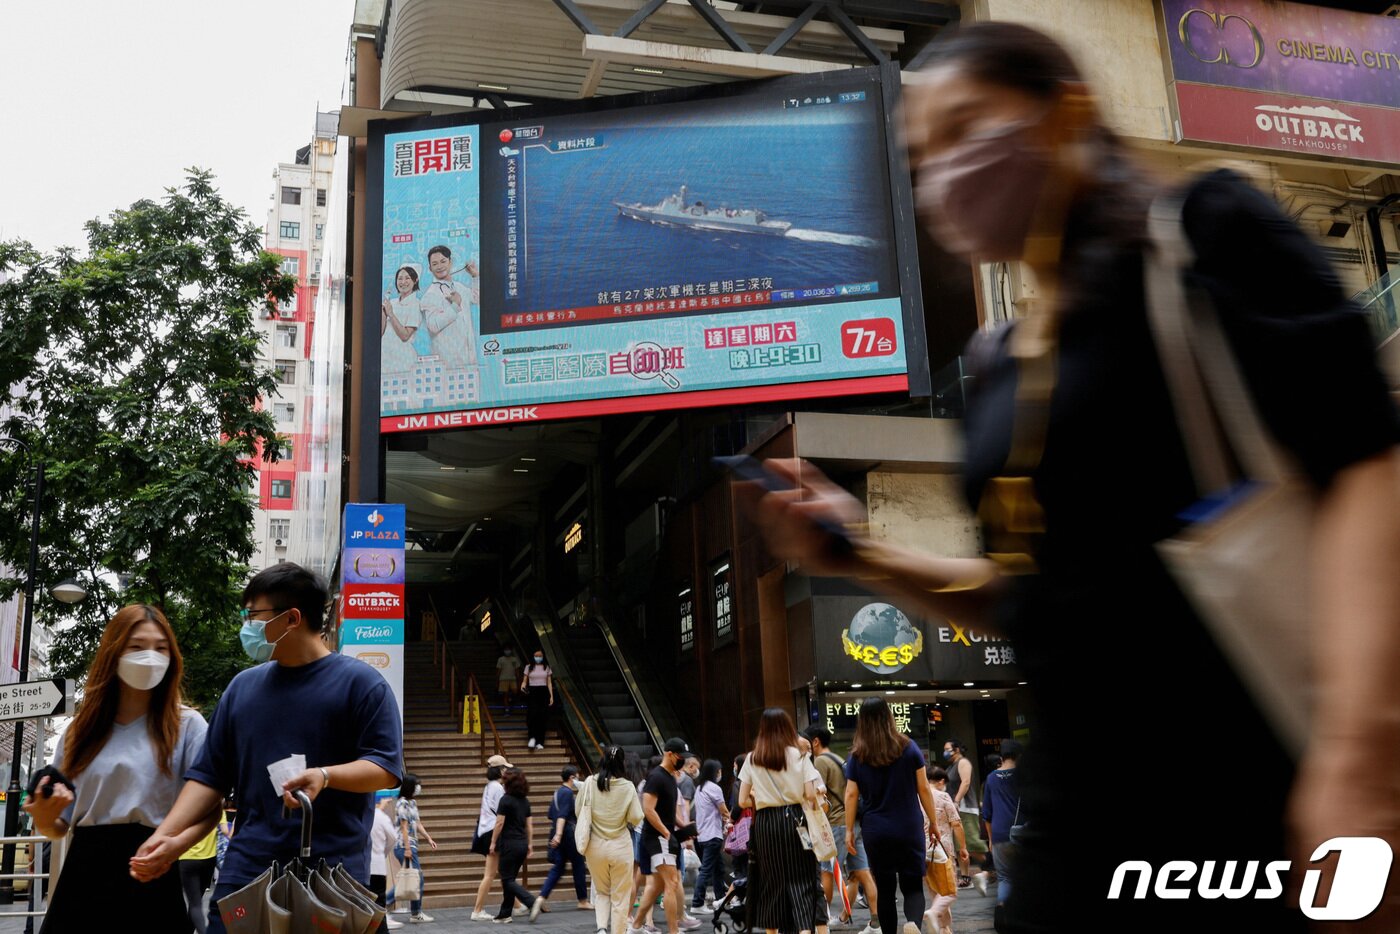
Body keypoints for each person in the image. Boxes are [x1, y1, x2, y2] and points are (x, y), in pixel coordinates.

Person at [744, 23, 1400, 933]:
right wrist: (858, 550)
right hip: (1077, 821)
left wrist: (1360, 756)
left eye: (966, 126)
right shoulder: (1001, 366)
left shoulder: (1200, 235)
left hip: (1259, 792)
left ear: (1065, 112)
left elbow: (1367, 465)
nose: (944, 174)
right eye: (922, 157)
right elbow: (1033, 602)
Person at [133, 563, 404, 934]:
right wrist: (164, 836)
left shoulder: (362, 684)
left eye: (253, 615)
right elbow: (209, 777)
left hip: (332, 879)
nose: (246, 626)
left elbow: (385, 767)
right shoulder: (241, 688)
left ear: (291, 618)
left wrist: (325, 776)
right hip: (246, 872)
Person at [23, 604, 207, 933]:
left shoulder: (188, 726)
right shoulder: (80, 731)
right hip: (84, 875)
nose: (150, 657)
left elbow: (209, 808)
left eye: (161, 648)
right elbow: (58, 827)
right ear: (113, 652)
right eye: (136, 646)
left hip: (152, 870)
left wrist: (175, 847)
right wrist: (44, 815)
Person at [842, 699, 939, 934]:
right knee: (912, 886)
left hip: (876, 829)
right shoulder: (908, 747)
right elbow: (924, 788)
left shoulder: (858, 755)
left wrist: (849, 830)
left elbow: (851, 794)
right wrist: (934, 823)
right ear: (889, 716)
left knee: (885, 890)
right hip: (908, 826)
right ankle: (913, 924)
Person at [737, 709, 828, 934]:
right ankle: (805, 930)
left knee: (772, 882)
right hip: (796, 820)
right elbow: (809, 794)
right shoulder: (799, 755)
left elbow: (742, 801)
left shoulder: (753, 757)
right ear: (788, 727)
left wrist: (761, 797)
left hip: (766, 823)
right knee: (803, 880)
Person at [803, 726, 880, 934]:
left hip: (836, 824)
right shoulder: (838, 759)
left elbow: (817, 796)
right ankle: (875, 922)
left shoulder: (820, 762)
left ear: (815, 741)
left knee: (826, 871)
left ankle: (822, 921)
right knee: (862, 873)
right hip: (853, 822)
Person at [581, 745, 645, 934]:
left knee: (602, 891)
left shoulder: (589, 782)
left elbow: (579, 810)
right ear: (622, 763)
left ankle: (601, 928)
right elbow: (636, 817)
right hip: (621, 846)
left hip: (595, 846)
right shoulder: (627, 786)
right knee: (620, 895)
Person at [635, 739, 692, 934]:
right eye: (681, 756)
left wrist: (684, 827)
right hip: (658, 838)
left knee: (656, 887)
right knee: (672, 882)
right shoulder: (656, 777)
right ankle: (673, 931)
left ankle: (635, 927)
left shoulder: (669, 777)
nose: (683, 761)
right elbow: (648, 809)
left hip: (664, 837)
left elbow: (667, 812)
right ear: (669, 754)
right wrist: (666, 832)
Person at [490, 768, 545, 922]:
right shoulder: (525, 801)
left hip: (509, 844)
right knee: (510, 879)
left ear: (508, 783)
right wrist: (530, 844)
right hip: (522, 844)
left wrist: (493, 842)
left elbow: (499, 823)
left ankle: (531, 902)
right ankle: (505, 914)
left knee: (507, 879)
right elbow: (529, 825)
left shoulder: (505, 800)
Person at [541, 764, 590, 910]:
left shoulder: (557, 793)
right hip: (568, 833)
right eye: (577, 776)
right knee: (578, 865)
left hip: (560, 832)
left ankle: (541, 897)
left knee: (559, 867)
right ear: (572, 777)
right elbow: (562, 815)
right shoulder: (568, 793)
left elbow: (551, 815)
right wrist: (559, 834)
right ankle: (582, 900)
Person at [925, 767, 968, 934]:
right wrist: (963, 847)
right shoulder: (943, 796)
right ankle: (934, 914)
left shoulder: (917, 797)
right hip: (942, 849)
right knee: (950, 890)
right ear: (941, 781)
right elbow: (956, 823)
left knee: (936, 892)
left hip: (923, 850)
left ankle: (944, 928)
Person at [420, 243, 479, 366]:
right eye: (435, 264)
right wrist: (455, 306)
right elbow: (433, 326)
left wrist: (475, 276)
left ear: (450, 262)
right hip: (448, 363)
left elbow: (477, 298)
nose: (440, 266)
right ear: (430, 268)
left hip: (469, 358)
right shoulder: (430, 295)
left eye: (443, 261)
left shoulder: (459, 287)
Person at [979, 741, 1021, 909]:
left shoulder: (990, 778)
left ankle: (1003, 910)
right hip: (1023, 833)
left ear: (1001, 756)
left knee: (1004, 878)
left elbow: (987, 813)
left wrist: (990, 839)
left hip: (999, 834)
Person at [940, 740, 987, 891]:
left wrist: (956, 801)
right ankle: (966, 878)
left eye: (948, 749)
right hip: (956, 809)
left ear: (957, 749)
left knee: (972, 845)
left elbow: (965, 782)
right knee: (960, 846)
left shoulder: (963, 762)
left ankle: (991, 866)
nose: (945, 752)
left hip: (965, 808)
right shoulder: (951, 766)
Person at [471, 755, 513, 921]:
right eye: (504, 768)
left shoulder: (489, 786)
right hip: (492, 832)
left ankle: (518, 905)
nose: (506, 771)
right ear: (499, 770)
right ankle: (477, 910)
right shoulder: (498, 788)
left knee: (503, 871)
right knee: (490, 874)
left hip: (485, 831)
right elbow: (501, 813)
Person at [395, 773, 439, 923]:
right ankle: (414, 912)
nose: (418, 788)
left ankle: (415, 913)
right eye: (416, 785)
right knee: (416, 878)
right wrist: (407, 848)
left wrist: (429, 838)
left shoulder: (412, 803)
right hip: (404, 846)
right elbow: (404, 827)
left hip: (411, 845)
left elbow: (417, 823)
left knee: (414, 878)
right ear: (409, 787)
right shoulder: (402, 803)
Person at [689, 759, 731, 915]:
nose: (720, 774)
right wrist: (731, 821)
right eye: (719, 771)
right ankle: (697, 903)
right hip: (712, 835)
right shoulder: (714, 788)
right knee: (706, 871)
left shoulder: (700, 788)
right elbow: (724, 810)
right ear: (715, 772)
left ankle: (720, 899)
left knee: (718, 869)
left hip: (702, 835)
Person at [381, 265, 422, 376]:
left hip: (403, 358)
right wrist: (383, 314)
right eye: (400, 278)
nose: (403, 282)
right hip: (385, 355)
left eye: (407, 278)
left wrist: (391, 314)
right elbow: (380, 333)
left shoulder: (416, 304)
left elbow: (405, 336)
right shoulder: (392, 302)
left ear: (415, 280)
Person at [371, 796, 405, 931]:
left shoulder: (358, 814)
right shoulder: (381, 817)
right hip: (377, 866)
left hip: (358, 867)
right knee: (379, 901)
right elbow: (393, 838)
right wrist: (382, 853)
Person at [179, 827, 219, 933]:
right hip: (208, 860)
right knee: (196, 904)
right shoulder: (215, 816)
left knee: (193, 904)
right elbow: (226, 831)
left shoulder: (182, 816)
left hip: (187, 858)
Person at [521, 650, 554, 750]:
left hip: (543, 692)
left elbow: (549, 683)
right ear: (533, 656)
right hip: (533, 692)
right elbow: (524, 681)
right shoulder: (528, 667)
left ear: (543, 657)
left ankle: (540, 741)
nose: (538, 657)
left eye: (540, 656)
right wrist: (523, 687)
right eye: (536, 656)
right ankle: (532, 738)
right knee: (532, 715)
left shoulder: (546, 667)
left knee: (542, 717)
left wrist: (551, 696)